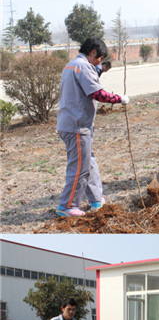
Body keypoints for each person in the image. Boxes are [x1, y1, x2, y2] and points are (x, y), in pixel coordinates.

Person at [56, 37, 129, 217]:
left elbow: (89, 79)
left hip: (74, 123)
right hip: (76, 126)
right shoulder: (83, 67)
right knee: (80, 166)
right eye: (99, 58)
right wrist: (120, 99)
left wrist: (100, 70)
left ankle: (97, 199)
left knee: (88, 162)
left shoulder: (73, 65)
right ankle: (67, 206)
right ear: (94, 52)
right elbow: (98, 93)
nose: (99, 62)